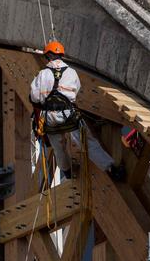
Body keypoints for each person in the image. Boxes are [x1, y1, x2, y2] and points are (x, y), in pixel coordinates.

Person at [29, 40, 121, 181]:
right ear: (62, 55)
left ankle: (67, 171)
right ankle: (110, 167)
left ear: (48, 56)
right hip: (68, 114)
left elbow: (34, 97)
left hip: (49, 117)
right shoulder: (72, 73)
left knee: (59, 147)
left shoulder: (42, 74)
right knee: (86, 141)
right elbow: (75, 91)